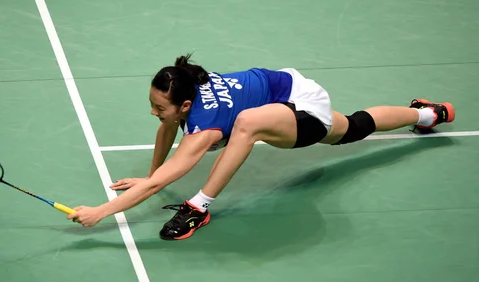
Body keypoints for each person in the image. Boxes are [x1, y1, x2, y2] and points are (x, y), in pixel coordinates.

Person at [67, 54, 455, 240]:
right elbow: (166, 132)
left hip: (299, 106)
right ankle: (427, 114)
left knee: (246, 124)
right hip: (293, 91)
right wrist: (149, 174)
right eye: (151, 104)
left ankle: (198, 208)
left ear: (185, 105)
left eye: (159, 107)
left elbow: (164, 178)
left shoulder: (203, 127)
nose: (153, 112)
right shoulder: (185, 88)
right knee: (351, 128)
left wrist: (100, 212)